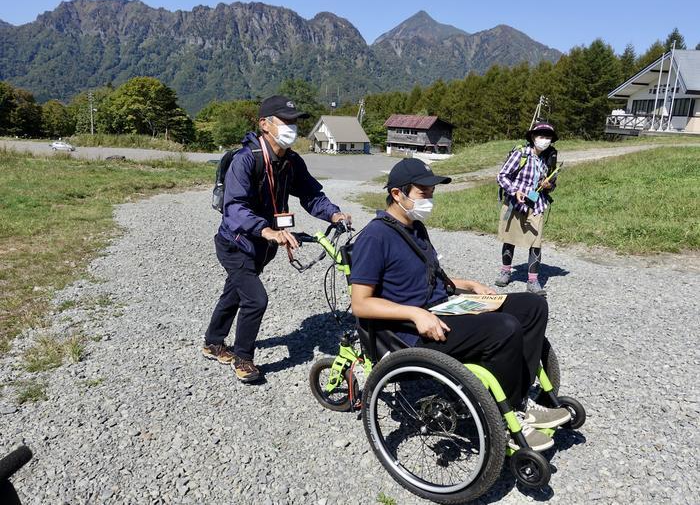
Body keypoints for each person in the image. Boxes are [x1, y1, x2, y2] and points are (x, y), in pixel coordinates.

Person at [350, 158, 569, 451]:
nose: (429, 198)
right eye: (423, 192)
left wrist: (468, 285)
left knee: (532, 306)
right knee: (504, 327)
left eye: (431, 192)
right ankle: (510, 413)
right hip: (412, 331)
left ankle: (521, 396)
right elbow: (360, 304)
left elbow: (423, 278)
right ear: (397, 194)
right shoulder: (375, 236)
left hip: (443, 308)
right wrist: (415, 313)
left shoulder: (414, 228)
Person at [204, 95, 351, 383]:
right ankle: (243, 358)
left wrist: (334, 214)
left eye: (295, 122)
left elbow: (311, 195)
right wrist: (268, 230)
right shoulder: (247, 160)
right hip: (235, 243)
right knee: (256, 299)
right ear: (264, 124)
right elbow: (235, 208)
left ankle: (212, 342)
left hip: (263, 246)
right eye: (285, 121)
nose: (292, 127)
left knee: (235, 292)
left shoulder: (291, 161)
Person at [495, 122, 559, 296]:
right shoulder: (521, 154)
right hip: (515, 204)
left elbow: (553, 184)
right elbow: (502, 176)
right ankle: (505, 271)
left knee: (535, 243)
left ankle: (532, 280)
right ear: (532, 137)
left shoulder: (550, 158)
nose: (544, 140)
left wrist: (547, 185)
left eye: (548, 137)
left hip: (536, 205)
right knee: (510, 239)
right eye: (541, 136)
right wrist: (515, 191)